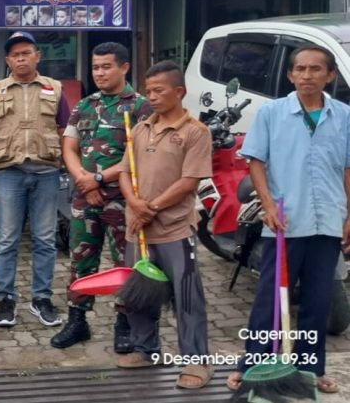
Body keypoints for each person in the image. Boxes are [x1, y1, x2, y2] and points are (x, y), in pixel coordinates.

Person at [226, 45, 350, 394]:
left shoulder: (343, 116)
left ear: (330, 75)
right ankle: (253, 366)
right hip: (284, 220)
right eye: (300, 69)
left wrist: (349, 215)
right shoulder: (272, 113)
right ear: (290, 74)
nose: (307, 76)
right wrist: (266, 205)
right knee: (271, 299)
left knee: (318, 299)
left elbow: (347, 168)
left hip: (327, 219)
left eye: (315, 69)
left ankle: (311, 370)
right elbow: (256, 162)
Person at [114, 61, 213, 389]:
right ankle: (145, 349)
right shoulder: (140, 128)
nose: (151, 96)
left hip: (174, 228)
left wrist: (151, 207)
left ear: (179, 92)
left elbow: (189, 182)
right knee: (140, 294)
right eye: (149, 90)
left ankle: (196, 360)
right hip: (138, 228)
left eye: (159, 90)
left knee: (187, 297)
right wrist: (134, 204)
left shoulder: (195, 131)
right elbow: (126, 170)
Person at [51, 42, 152, 351]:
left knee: (126, 262)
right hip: (84, 197)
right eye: (96, 67)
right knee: (81, 259)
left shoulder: (140, 106)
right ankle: (77, 321)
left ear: (124, 67)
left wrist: (96, 179)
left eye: (106, 66)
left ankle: (124, 324)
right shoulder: (84, 105)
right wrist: (83, 180)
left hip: (123, 199)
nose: (100, 73)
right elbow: (68, 146)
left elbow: (138, 155)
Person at [0, 31, 70, 329]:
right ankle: (5, 298)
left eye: (26, 52)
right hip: (8, 173)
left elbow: (65, 130)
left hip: (46, 172)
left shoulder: (55, 89)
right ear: (7, 60)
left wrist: (71, 166)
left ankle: (41, 297)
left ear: (37, 56)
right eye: (15, 54)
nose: (21, 58)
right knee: (6, 240)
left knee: (45, 239)